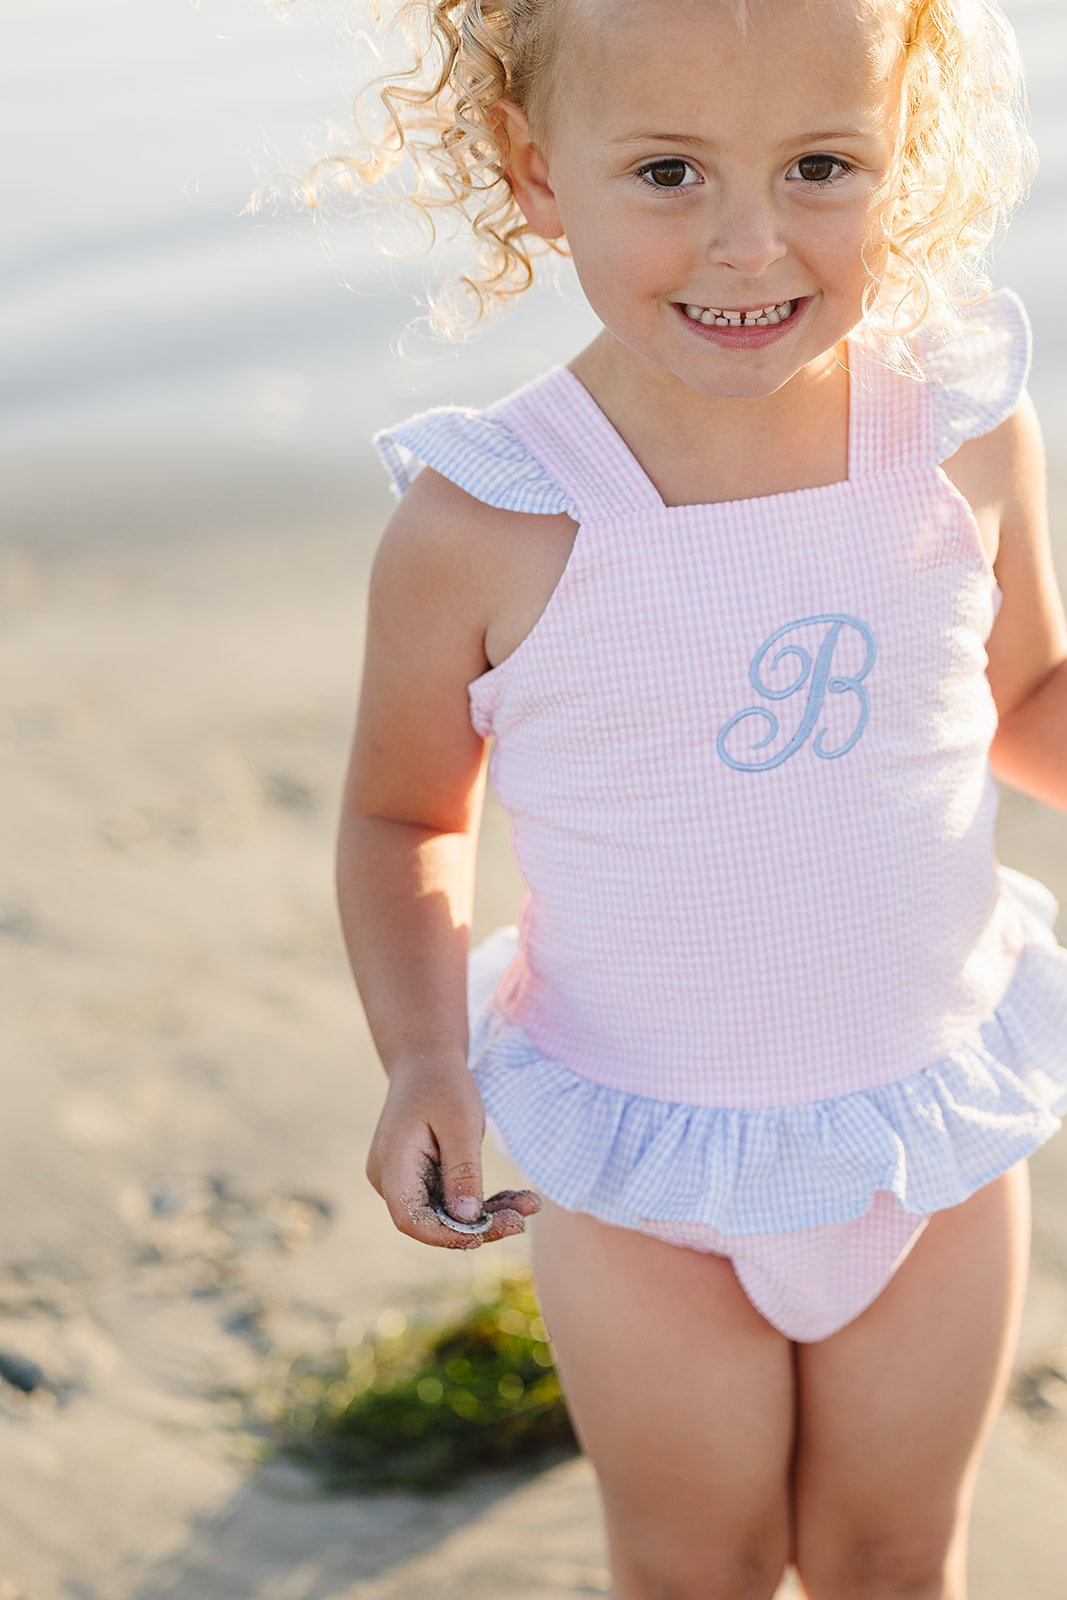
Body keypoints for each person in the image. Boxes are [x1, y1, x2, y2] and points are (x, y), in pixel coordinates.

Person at [334, 0, 1067, 1594]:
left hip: (924, 1137)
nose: (751, 245)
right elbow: (402, 817)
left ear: (905, 151)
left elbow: (1023, 705)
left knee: (893, 1557)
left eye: (821, 165)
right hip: (642, 1161)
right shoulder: (489, 522)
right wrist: (420, 1059)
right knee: (695, 1565)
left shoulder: (959, 428)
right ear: (535, 173)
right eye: (668, 171)